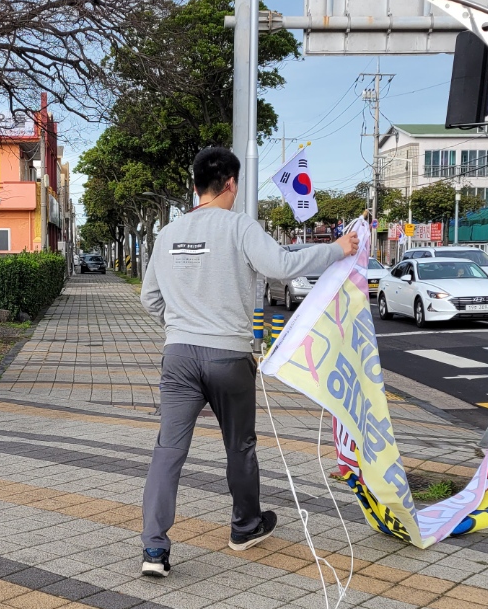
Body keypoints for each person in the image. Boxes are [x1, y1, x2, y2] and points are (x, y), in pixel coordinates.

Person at [137, 147, 358, 577]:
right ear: (231, 183)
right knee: (239, 446)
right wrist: (336, 248)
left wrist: (182, 325)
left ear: (196, 183)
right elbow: (280, 266)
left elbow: (150, 298)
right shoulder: (239, 226)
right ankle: (244, 526)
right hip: (229, 356)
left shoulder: (167, 234)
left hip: (178, 355)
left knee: (168, 451)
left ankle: (154, 551)